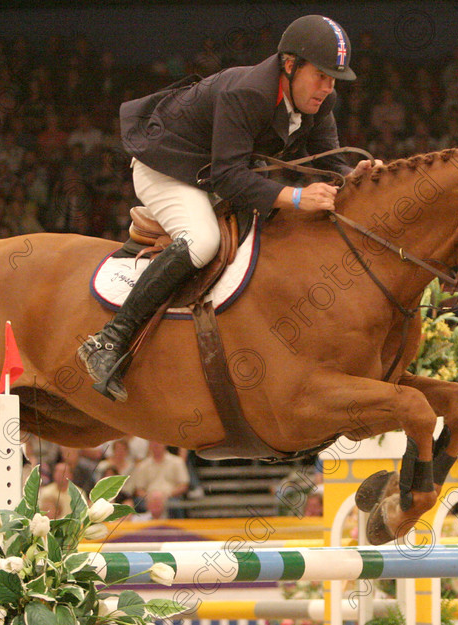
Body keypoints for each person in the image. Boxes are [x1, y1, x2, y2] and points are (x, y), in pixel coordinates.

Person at [78, 15, 382, 401]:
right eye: (321, 75)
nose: (328, 87)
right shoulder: (248, 92)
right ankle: (109, 341)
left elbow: (325, 158)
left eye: (334, 78)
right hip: (168, 168)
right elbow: (228, 177)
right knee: (202, 241)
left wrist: (354, 173)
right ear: (290, 65)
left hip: (214, 173)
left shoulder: (322, 100)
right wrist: (297, 198)